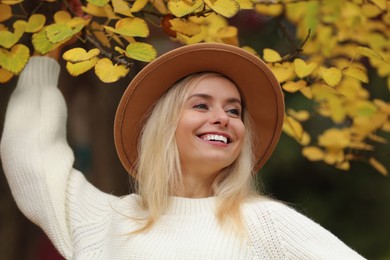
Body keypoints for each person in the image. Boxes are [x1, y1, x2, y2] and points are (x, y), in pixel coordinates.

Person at [1, 43, 365, 259]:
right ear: (164, 125)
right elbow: (30, 157)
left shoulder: (265, 223)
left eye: (234, 110)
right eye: (202, 106)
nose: (223, 118)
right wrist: (44, 58)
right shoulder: (104, 220)